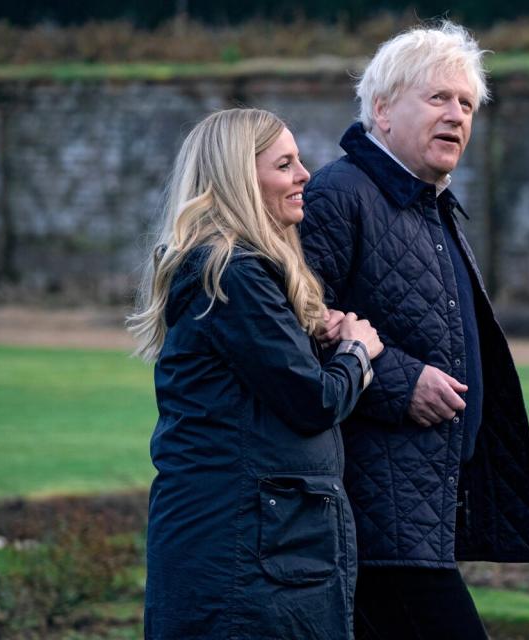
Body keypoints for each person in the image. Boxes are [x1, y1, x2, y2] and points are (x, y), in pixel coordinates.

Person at [300, 22, 529, 639]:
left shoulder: (430, 204)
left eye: (466, 104)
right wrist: (399, 380)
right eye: (438, 98)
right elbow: (298, 327)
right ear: (382, 110)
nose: (457, 116)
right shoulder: (340, 194)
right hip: (372, 509)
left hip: (420, 505)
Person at [127, 108, 382, 639]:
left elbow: (262, 380)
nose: (305, 175)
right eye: (285, 164)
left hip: (256, 541)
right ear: (241, 179)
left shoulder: (235, 270)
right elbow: (312, 401)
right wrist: (357, 353)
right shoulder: (233, 271)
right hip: (243, 548)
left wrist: (314, 335)